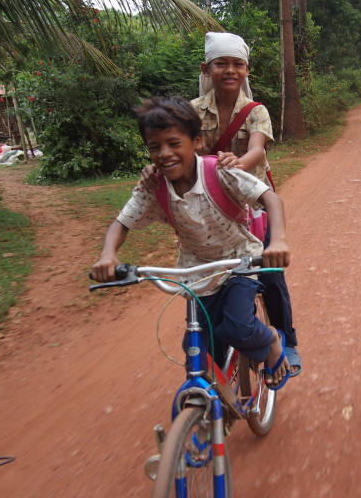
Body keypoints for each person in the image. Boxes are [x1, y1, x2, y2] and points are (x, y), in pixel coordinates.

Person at [92, 96, 291, 388]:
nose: (164, 154)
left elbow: (270, 198)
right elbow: (122, 222)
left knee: (238, 327)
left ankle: (272, 342)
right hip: (196, 270)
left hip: (239, 260)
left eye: (174, 143)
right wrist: (107, 255)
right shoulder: (153, 186)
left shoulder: (221, 171)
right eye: (154, 147)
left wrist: (279, 241)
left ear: (197, 141)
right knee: (196, 348)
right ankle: (211, 408)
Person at [139, 32, 302, 377]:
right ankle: (220, 354)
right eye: (221, 64)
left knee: (270, 272)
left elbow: (258, 149)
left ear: (246, 70)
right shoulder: (192, 111)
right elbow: (175, 148)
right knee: (208, 275)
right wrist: (158, 167)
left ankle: (285, 340)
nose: (230, 70)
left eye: (237, 64)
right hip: (209, 202)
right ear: (207, 68)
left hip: (249, 201)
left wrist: (234, 164)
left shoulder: (255, 111)